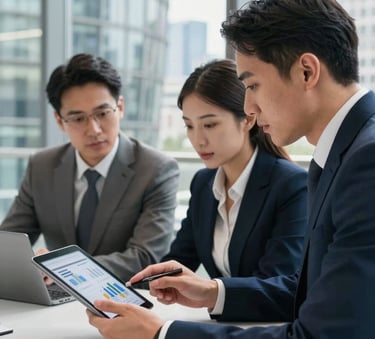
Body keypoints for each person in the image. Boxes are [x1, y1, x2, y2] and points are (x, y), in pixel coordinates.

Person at [87, 0, 375, 338]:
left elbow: (322, 335)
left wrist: (162, 333)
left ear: (307, 72)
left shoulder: (365, 163)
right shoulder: (344, 153)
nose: (249, 106)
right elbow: (315, 294)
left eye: (252, 85)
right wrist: (213, 292)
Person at [0, 53, 180, 282]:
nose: (93, 129)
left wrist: (62, 268)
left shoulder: (156, 169)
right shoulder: (42, 166)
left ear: (120, 107)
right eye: (77, 118)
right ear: (59, 120)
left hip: (124, 300)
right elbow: (8, 243)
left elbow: (145, 257)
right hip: (57, 304)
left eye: (102, 113)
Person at [162, 59, 307, 280]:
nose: (198, 140)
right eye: (189, 126)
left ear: (248, 119)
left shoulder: (292, 186)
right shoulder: (203, 183)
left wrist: (211, 294)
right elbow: (179, 263)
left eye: (209, 125)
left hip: (273, 315)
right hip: (217, 314)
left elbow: (277, 282)